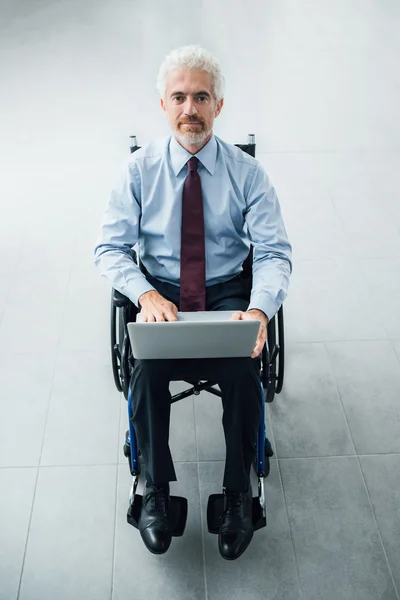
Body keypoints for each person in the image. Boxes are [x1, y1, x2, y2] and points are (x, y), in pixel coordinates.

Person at [94, 45, 292, 560]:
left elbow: (273, 253)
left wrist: (259, 310)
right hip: (162, 292)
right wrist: (144, 293)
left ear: (218, 105)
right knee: (146, 372)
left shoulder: (248, 176)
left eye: (200, 97)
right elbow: (109, 249)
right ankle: (155, 491)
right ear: (163, 104)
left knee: (246, 369)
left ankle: (237, 495)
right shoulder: (138, 173)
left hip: (227, 292)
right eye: (178, 97)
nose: (189, 109)